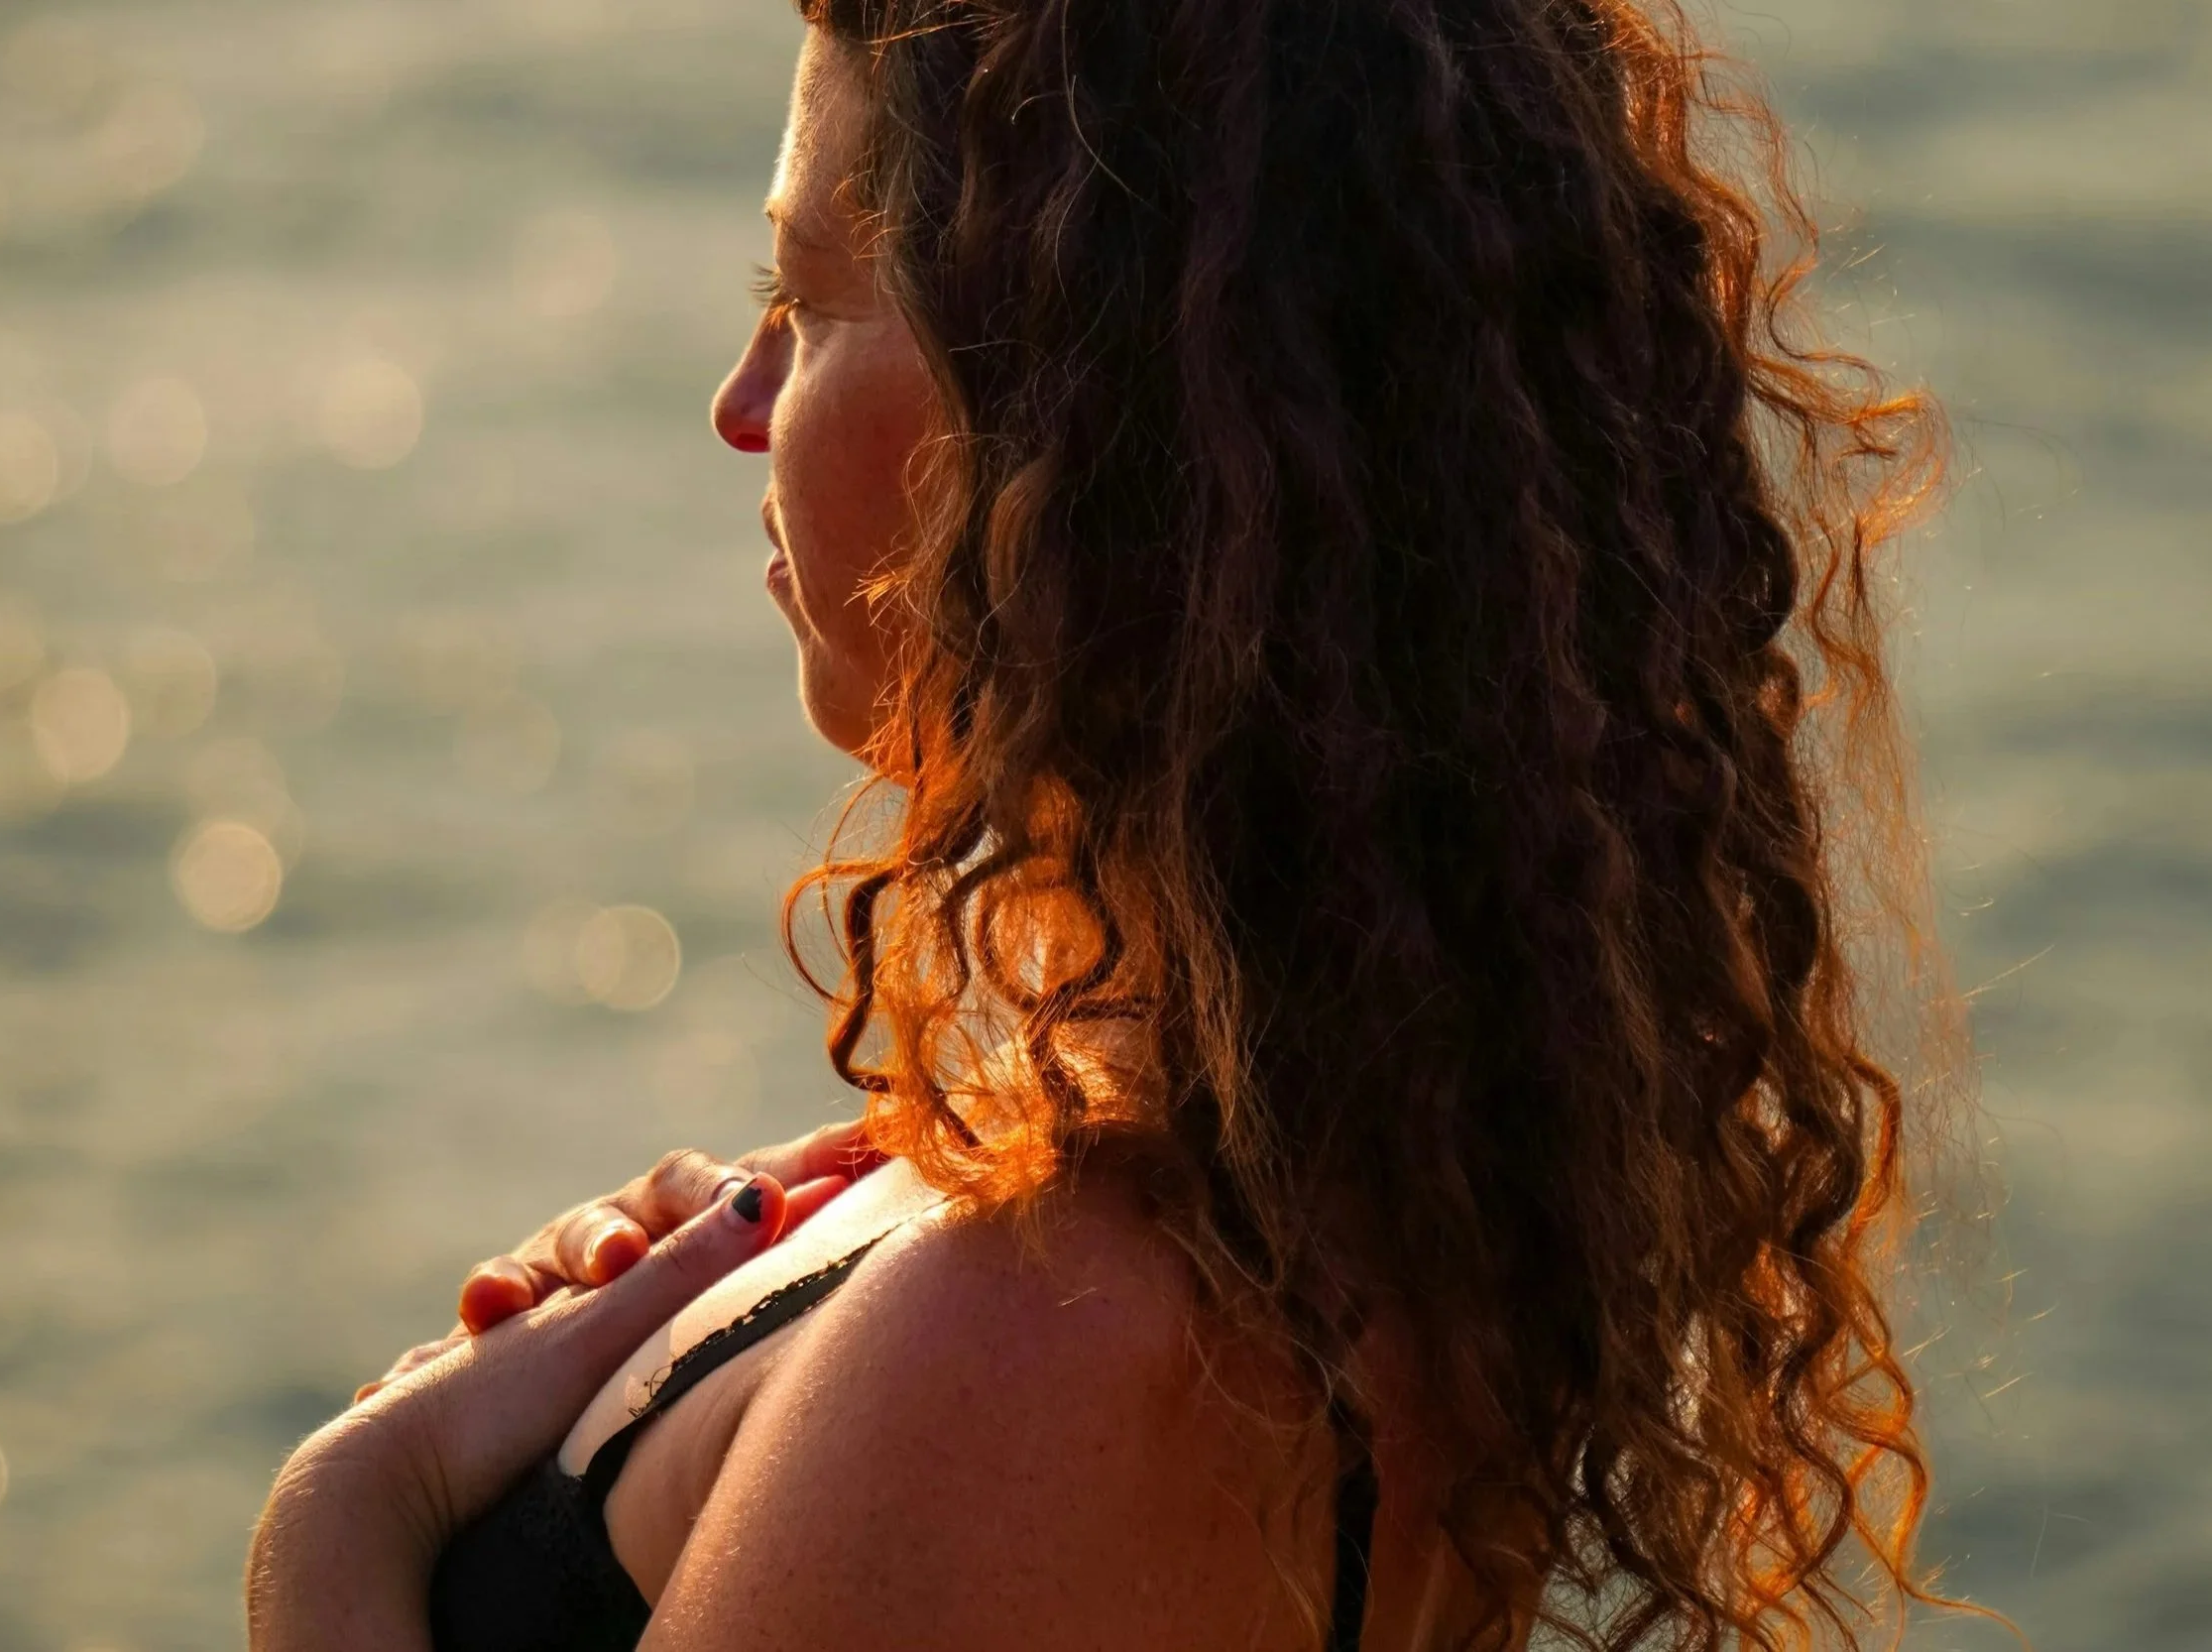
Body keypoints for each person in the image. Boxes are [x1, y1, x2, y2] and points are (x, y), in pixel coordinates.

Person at [246, 1, 1980, 1648]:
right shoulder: (1307, 1192)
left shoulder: (1072, 1336)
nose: (743, 402)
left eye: (806, 298)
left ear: (1084, 413)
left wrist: (346, 1520)